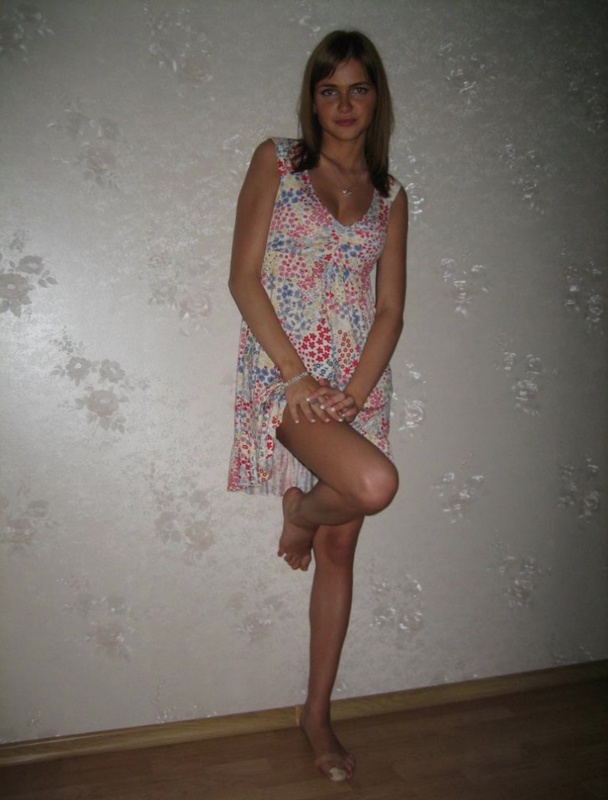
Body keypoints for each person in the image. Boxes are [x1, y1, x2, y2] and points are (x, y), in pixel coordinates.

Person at [228, 29, 407, 782]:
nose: (343, 103)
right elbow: (243, 278)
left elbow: (389, 310)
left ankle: (316, 713)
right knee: (374, 485)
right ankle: (300, 511)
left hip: (358, 384)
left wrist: (355, 394)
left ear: (376, 98)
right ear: (312, 98)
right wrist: (299, 378)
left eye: (358, 88)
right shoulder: (279, 161)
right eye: (328, 89)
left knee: (341, 548)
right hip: (287, 376)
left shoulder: (392, 195)